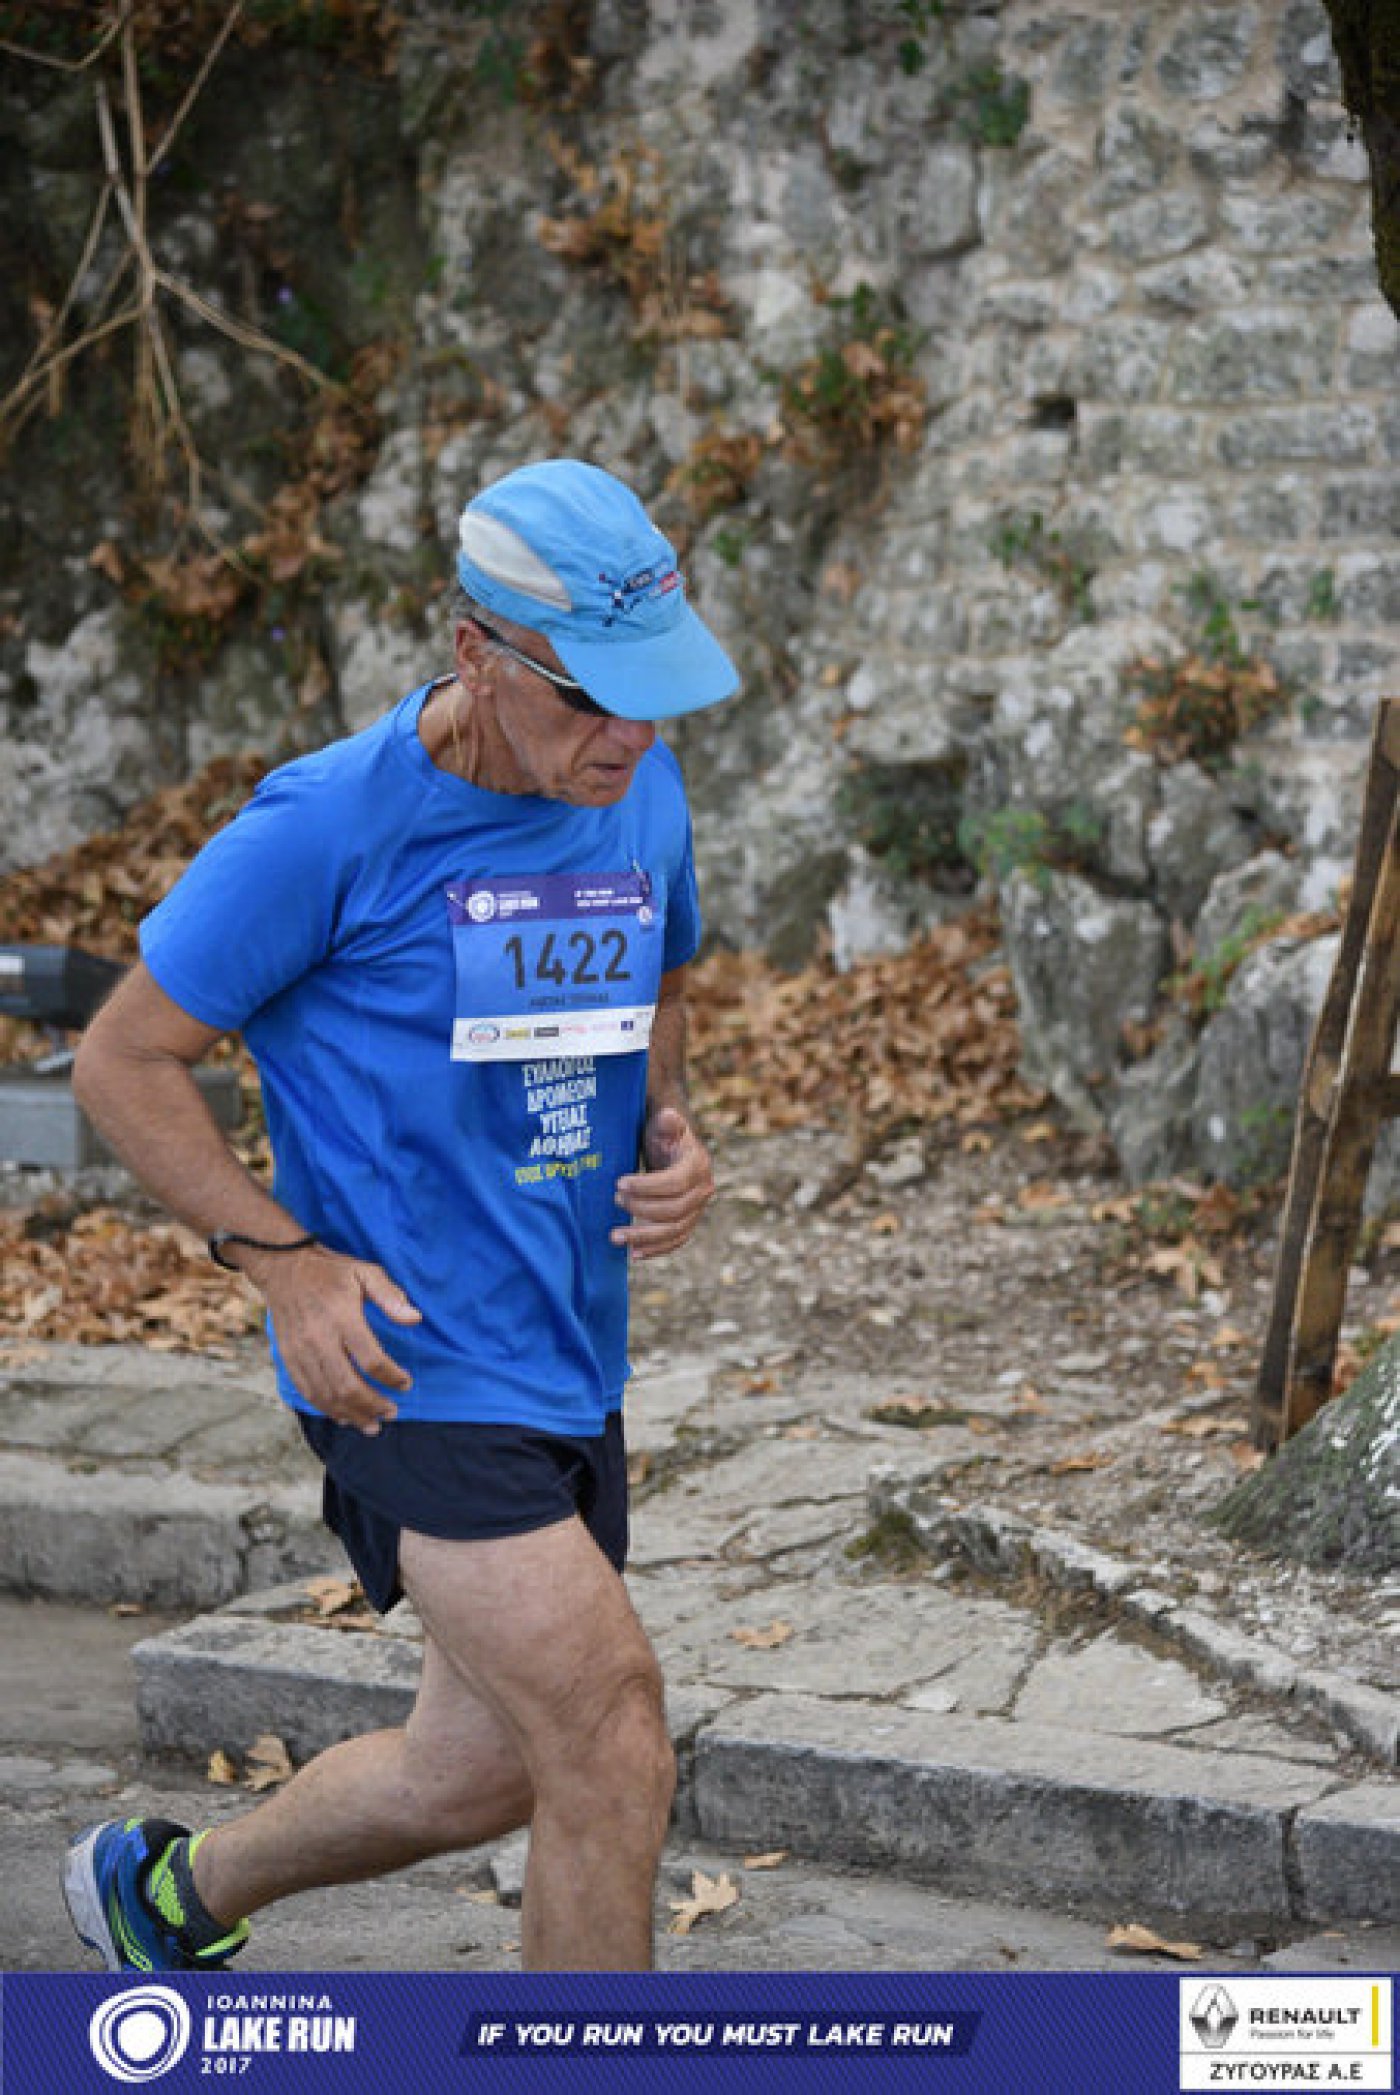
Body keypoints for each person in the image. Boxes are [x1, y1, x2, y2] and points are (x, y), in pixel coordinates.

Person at [61, 457, 738, 1974]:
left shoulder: (634, 785)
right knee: (610, 1736)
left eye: (654, 698)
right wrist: (285, 1265)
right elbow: (123, 1059)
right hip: (405, 1356)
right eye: (592, 698)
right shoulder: (326, 828)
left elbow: (663, 971)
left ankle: (168, 1896)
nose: (631, 735)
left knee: (480, 1771)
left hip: (567, 1345)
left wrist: (672, 1129)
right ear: (477, 655)